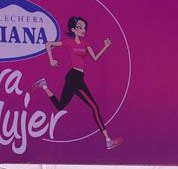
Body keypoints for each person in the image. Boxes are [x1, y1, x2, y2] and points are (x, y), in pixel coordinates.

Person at [34, 15, 122, 150]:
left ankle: (44, 85)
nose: (83, 29)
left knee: (60, 106)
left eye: (84, 27)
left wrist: (106, 46)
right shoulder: (69, 42)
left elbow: (95, 57)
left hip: (76, 77)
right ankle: (108, 140)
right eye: (80, 27)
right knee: (94, 107)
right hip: (74, 77)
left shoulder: (86, 43)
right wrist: (51, 60)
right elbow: (48, 44)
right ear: (73, 29)